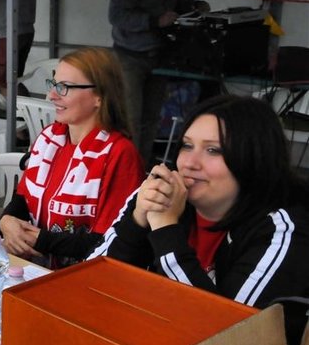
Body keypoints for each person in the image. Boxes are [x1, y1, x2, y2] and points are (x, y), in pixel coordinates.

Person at [92, 95, 309, 309]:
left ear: (254, 157)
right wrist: (136, 223)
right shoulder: (157, 195)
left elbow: (227, 326)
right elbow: (91, 279)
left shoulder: (282, 231)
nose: (189, 163)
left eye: (213, 150)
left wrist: (166, 230)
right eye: (187, 145)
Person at [0, 47, 143, 268]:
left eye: (64, 87)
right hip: (34, 268)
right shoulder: (49, 137)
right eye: (53, 84)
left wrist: (41, 240)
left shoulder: (120, 153)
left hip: (84, 276)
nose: (51, 95)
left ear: (99, 97)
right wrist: (7, 220)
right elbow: (23, 198)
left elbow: (109, 240)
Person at [108, 0, 209, 166]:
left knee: (152, 120)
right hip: (129, 56)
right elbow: (117, 15)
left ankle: (142, 168)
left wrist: (195, 7)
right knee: (130, 120)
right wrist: (154, 20)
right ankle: (125, 170)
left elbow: (180, 6)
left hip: (161, 56)